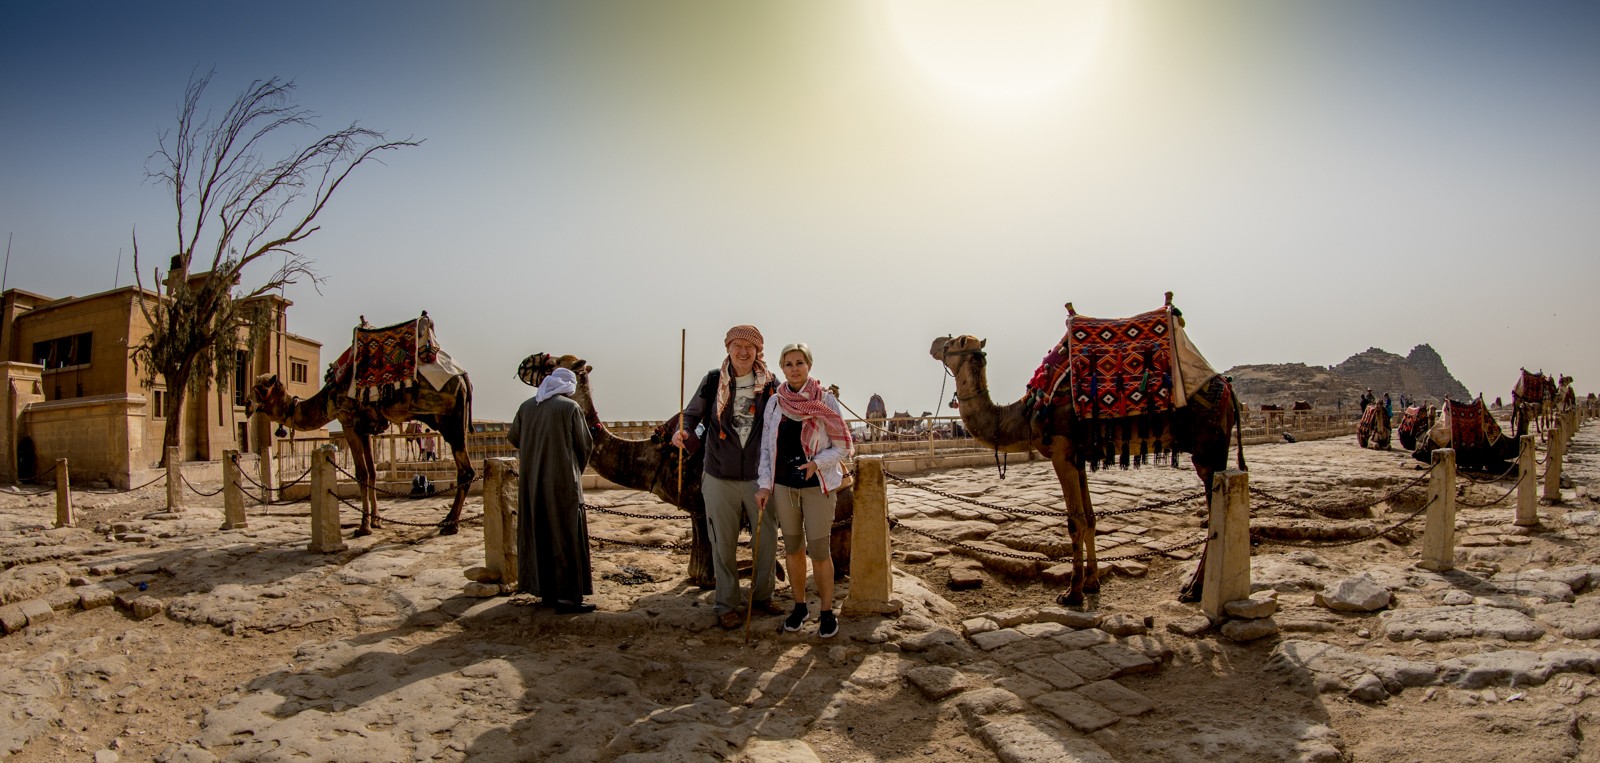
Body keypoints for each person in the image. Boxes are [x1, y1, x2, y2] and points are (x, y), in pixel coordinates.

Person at [674, 325, 781, 630]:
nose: (744, 352)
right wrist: (682, 431)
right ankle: (726, 604)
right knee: (723, 544)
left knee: (767, 540)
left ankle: (762, 597)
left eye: (751, 347)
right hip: (719, 475)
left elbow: (789, 411)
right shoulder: (712, 380)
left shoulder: (772, 383)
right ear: (728, 349)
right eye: (738, 346)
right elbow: (692, 415)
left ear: (758, 351)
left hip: (759, 478)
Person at [756, 343, 853, 640]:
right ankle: (799, 606)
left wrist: (816, 464)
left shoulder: (826, 401)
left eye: (800, 362)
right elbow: (767, 448)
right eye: (788, 364)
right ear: (782, 368)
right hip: (785, 487)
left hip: (817, 486)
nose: (794, 368)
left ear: (809, 365)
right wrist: (763, 485)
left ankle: (826, 612)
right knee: (795, 549)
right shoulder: (775, 403)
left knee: (821, 551)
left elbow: (843, 446)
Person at [507, 367, 597, 614]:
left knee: (540, 534)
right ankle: (568, 597)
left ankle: (545, 591)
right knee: (565, 535)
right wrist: (572, 468)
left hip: (531, 483)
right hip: (562, 484)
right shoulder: (570, 409)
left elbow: (514, 438)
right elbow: (584, 445)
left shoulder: (526, 407)